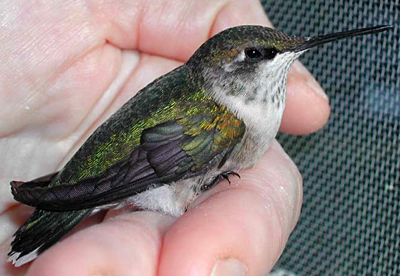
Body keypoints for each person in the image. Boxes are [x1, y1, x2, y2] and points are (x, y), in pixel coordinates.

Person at [0, 0, 330, 275]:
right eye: (257, 55)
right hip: (133, 174)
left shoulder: (210, 97)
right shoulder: (226, 119)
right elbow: (151, 165)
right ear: (228, 70)